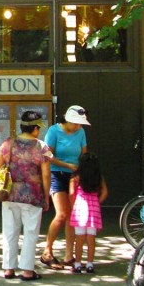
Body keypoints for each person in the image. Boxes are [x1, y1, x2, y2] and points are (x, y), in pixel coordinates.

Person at [0, 110, 51, 281]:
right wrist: (46, 197)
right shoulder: (42, 147)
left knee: (10, 232)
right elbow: (46, 174)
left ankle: (8, 268)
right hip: (33, 195)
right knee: (31, 233)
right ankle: (27, 270)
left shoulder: (8, 144)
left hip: (10, 194)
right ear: (35, 129)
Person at [41, 105, 89, 271]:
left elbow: (84, 154)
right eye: (75, 123)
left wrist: (81, 170)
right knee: (61, 214)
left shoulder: (81, 132)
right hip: (56, 174)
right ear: (67, 119)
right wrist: (65, 164)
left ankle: (69, 255)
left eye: (80, 123)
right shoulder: (54, 131)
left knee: (72, 216)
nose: (78, 126)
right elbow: (47, 155)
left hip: (74, 175)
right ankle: (47, 251)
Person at [69, 152, 108, 274]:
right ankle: (90, 264)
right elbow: (105, 192)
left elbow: (71, 193)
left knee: (79, 238)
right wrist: (96, 202)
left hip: (80, 210)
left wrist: (73, 206)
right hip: (93, 210)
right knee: (91, 238)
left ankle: (77, 264)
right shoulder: (98, 177)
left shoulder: (75, 177)